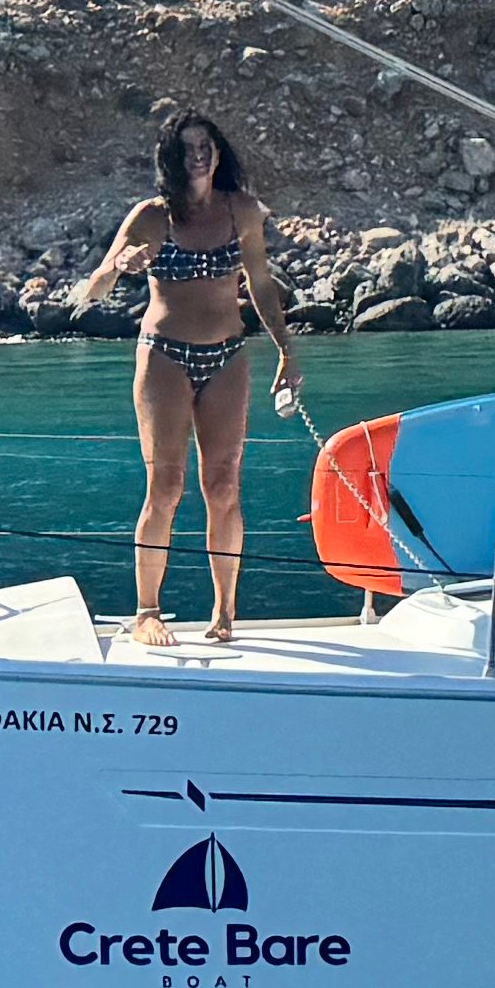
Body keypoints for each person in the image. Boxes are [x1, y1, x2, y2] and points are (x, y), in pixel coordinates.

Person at [91, 108, 300, 642]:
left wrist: (286, 352)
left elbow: (260, 285)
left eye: (205, 144)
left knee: (223, 484)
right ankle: (146, 612)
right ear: (172, 159)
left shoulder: (243, 211)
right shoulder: (151, 216)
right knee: (166, 486)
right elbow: (90, 289)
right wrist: (121, 266)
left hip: (228, 354)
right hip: (164, 355)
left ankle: (225, 612)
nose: (199, 155)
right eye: (187, 148)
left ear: (218, 150)